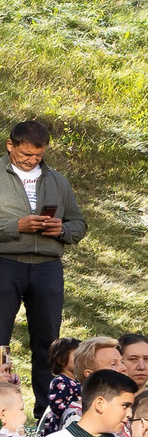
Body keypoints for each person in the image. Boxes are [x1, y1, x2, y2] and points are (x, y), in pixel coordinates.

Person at [0, 119, 83, 372]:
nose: (32, 160)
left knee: (48, 344)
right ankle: (4, 404)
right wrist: (17, 227)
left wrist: (63, 230)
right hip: (5, 265)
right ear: (10, 145)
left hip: (48, 268)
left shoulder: (58, 181)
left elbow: (78, 223)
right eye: (26, 154)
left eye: (39, 155)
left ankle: (47, 408)